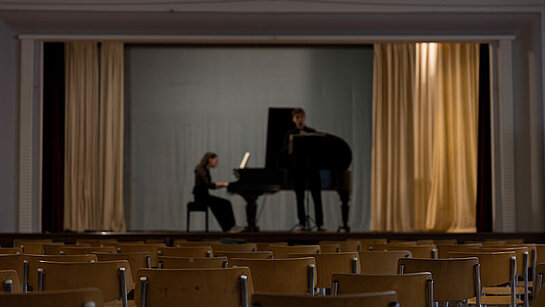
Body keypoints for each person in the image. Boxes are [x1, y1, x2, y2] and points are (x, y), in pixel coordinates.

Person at [285, 108, 326, 232]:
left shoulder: (312, 132)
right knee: (299, 197)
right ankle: (302, 223)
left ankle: (320, 224)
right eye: (297, 117)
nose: (299, 120)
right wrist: (292, 142)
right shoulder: (289, 134)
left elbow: (320, 151)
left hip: (312, 169)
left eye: (301, 117)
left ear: (305, 117)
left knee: (317, 197)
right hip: (298, 170)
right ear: (293, 119)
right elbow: (285, 152)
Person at [193, 152, 243, 232]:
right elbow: (209, 185)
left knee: (222, 204)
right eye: (215, 160)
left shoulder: (204, 169)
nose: (217, 163)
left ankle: (228, 227)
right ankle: (229, 227)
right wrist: (224, 184)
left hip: (204, 195)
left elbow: (210, 186)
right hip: (201, 197)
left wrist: (223, 185)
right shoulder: (201, 169)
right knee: (225, 204)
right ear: (210, 159)